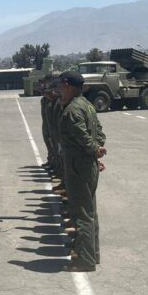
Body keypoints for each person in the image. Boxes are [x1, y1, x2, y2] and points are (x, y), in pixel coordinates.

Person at [57, 71, 106, 272]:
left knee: (82, 213)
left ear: (68, 85)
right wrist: (97, 148)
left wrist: (94, 149)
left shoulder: (72, 110)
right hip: (87, 165)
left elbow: (82, 137)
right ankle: (92, 253)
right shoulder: (87, 105)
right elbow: (99, 132)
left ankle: (85, 261)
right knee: (90, 210)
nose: (59, 90)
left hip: (78, 166)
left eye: (61, 86)